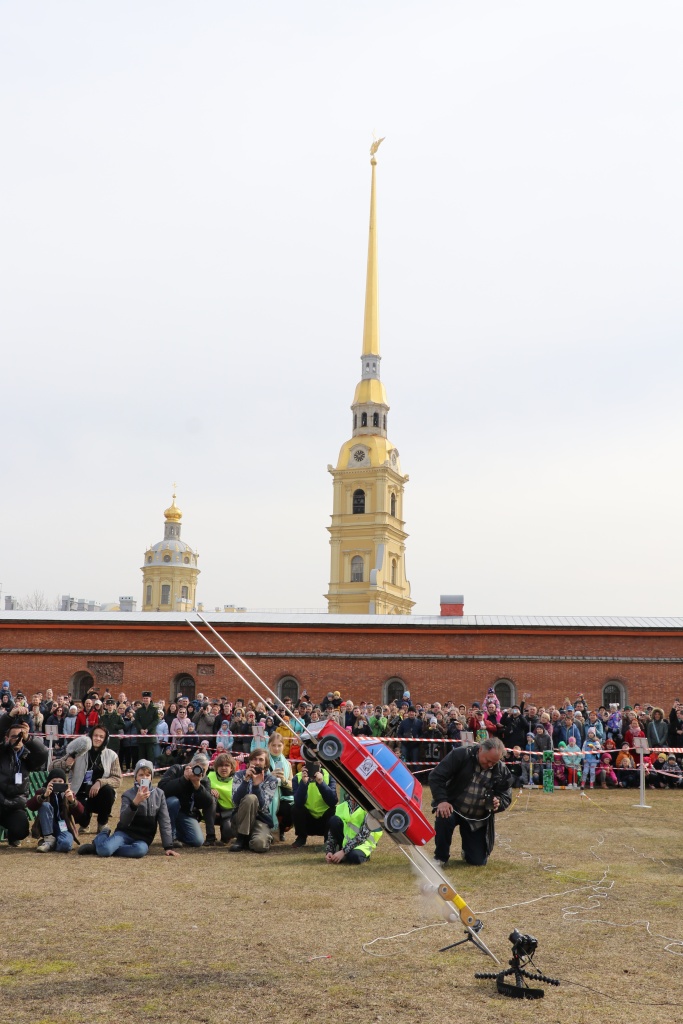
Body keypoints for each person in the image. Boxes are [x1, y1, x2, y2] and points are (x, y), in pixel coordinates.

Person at [429, 737, 512, 867]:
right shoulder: (460, 755)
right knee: (444, 816)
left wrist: (499, 802)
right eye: (488, 760)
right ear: (480, 750)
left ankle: (467, 852)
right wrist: (442, 801)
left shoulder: (501, 770)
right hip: (453, 807)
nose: (490, 765)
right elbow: (436, 776)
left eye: (494, 763)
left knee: (478, 862)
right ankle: (440, 857)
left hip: (477, 817)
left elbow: (506, 795)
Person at [80, 760, 180, 858]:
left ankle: (103, 847)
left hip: (143, 838)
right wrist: (135, 802)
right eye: (141, 775)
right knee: (104, 851)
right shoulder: (128, 794)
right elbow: (124, 821)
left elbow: (165, 821)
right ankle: (102, 837)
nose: (144, 778)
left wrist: (168, 846)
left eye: (147, 775)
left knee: (140, 851)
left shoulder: (159, 794)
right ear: (135, 777)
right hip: (125, 833)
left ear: (151, 777)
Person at [53, 726, 122, 833]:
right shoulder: (79, 752)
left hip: (99, 794)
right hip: (80, 793)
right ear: (90, 737)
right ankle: (84, 823)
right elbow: (51, 767)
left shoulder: (112, 755)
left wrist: (100, 782)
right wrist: (65, 763)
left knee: (108, 791)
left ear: (105, 739)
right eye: (95, 735)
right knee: (81, 819)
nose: (98, 738)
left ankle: (102, 823)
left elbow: (117, 779)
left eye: (101, 737)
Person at [0, 718, 49, 846]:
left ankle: (12, 836)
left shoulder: (28, 757)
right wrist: (9, 716)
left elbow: (43, 753)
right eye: (14, 736)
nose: (17, 739)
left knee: (21, 830)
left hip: (15, 806)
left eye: (21, 736)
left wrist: (29, 739)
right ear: (7, 738)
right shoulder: (2, 753)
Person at [157, 751, 213, 847]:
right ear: (191, 764)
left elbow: (207, 802)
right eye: (198, 768)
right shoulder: (176, 769)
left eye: (204, 770)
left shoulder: (204, 780)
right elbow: (162, 788)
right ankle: (171, 837)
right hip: (170, 809)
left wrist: (197, 786)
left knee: (197, 841)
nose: (200, 772)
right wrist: (184, 779)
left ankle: (179, 833)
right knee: (173, 801)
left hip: (186, 813)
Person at [229, 748, 279, 853]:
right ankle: (241, 838)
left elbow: (264, 806)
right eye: (254, 759)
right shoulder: (239, 775)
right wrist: (246, 780)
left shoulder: (271, 780)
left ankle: (253, 838)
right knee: (250, 798)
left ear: (266, 764)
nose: (257, 762)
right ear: (250, 761)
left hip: (260, 819)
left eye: (261, 760)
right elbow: (235, 802)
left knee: (259, 846)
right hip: (240, 818)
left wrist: (256, 786)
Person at [28, 768, 83, 853]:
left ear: (64, 783)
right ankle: (49, 839)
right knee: (45, 805)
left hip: (63, 825)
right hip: (48, 825)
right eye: (54, 781)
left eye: (60, 781)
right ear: (49, 782)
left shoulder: (68, 794)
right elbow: (30, 806)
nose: (57, 783)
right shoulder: (43, 791)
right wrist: (44, 796)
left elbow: (80, 812)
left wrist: (72, 801)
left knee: (66, 845)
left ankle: (50, 844)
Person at [292, 757, 338, 848]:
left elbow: (333, 801)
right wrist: (303, 784)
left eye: (316, 762)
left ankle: (328, 839)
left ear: (320, 763)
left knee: (334, 810)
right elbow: (298, 803)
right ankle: (301, 837)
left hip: (324, 821)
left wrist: (321, 783)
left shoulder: (329, 775)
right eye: (310, 762)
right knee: (295, 808)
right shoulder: (297, 777)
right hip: (307, 821)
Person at [325, 794, 383, 865]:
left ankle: (360, 856)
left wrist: (343, 852)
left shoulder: (370, 809)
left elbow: (363, 836)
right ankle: (341, 854)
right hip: (346, 843)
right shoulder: (342, 806)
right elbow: (332, 831)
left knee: (354, 857)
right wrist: (330, 851)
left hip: (364, 843)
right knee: (334, 820)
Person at [205, 753, 238, 845]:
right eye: (220, 765)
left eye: (227, 765)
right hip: (211, 812)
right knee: (210, 797)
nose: (224, 768)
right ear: (216, 767)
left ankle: (225, 837)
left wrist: (222, 814)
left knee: (228, 832)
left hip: (229, 813)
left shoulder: (237, 780)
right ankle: (210, 836)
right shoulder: (209, 776)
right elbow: (200, 789)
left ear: (232, 768)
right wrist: (209, 789)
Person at [268, 732, 294, 841]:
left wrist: (283, 780)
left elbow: (292, 785)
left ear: (283, 746)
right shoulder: (262, 760)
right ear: (268, 745)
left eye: (279, 745)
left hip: (283, 795)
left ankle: (282, 829)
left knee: (293, 808)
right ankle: (269, 831)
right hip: (267, 795)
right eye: (273, 745)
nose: (276, 748)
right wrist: (270, 777)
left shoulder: (287, 764)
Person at [135, 691, 158, 761]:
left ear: (150, 699)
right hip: (141, 735)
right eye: (144, 698)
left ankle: (150, 769)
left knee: (150, 754)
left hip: (150, 735)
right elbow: (136, 721)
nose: (145, 700)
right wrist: (141, 729)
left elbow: (156, 721)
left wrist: (147, 729)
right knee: (141, 755)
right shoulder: (139, 710)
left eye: (147, 698)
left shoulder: (154, 709)